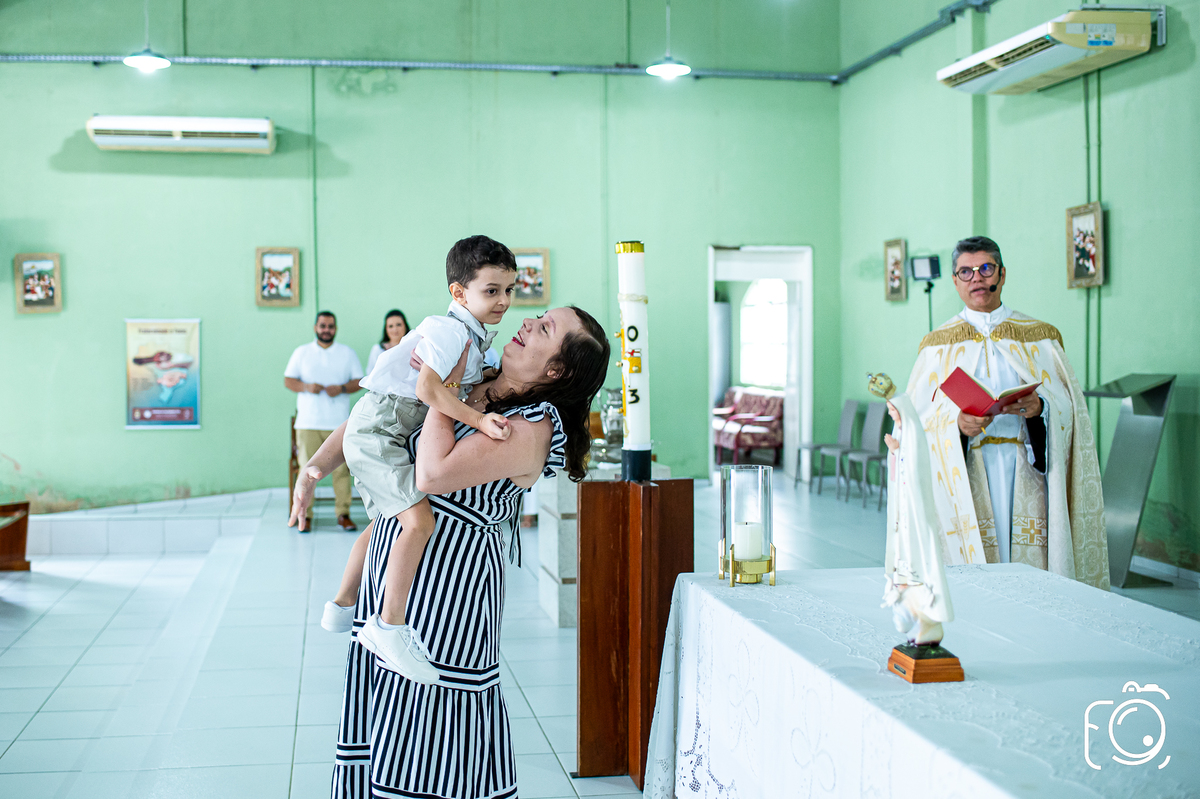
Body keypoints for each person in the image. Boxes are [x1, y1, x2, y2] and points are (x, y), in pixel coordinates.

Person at [289, 305, 608, 799]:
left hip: (450, 594)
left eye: (544, 328)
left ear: (556, 370)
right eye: (538, 315)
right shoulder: (476, 375)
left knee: (431, 732)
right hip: (393, 575)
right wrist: (312, 471)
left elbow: (431, 474)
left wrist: (442, 391)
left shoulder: (533, 429)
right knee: (384, 715)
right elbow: (376, 414)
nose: (526, 322)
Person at [322, 236, 518, 684]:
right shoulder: (449, 330)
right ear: (458, 292)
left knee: (383, 525)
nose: (504, 301)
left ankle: (342, 604)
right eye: (492, 290)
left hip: (386, 429)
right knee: (418, 523)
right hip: (381, 431)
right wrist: (480, 421)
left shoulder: (473, 334)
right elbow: (431, 391)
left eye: (509, 289)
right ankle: (387, 626)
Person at [904, 236, 1109, 588]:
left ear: (1001, 273)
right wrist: (955, 425)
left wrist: (1039, 409)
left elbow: (1070, 410)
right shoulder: (936, 346)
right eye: (965, 272)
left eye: (985, 268)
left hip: (1026, 469)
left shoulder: (1040, 338)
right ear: (954, 281)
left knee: (1029, 572)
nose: (976, 279)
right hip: (968, 471)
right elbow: (916, 421)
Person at [284, 311, 363, 532]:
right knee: (306, 469)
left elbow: (360, 381)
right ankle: (305, 515)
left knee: (341, 471)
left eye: (330, 326)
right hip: (308, 422)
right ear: (315, 327)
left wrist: (342, 388)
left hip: (338, 423)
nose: (326, 330)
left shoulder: (347, 353)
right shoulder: (302, 352)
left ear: (335, 328)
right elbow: (288, 380)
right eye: (322, 326)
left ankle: (343, 514)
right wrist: (307, 387)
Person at [366, 309, 410, 375]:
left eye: (398, 325)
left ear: (405, 326)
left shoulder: (413, 348)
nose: (395, 329)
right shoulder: (378, 349)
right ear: (386, 329)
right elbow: (370, 373)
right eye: (390, 326)